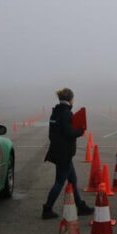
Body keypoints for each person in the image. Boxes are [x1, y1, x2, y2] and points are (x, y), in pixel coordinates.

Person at [42, 87, 94, 219]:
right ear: (70, 99)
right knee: (59, 182)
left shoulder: (55, 112)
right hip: (64, 154)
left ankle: (80, 206)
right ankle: (47, 209)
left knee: (72, 180)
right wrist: (80, 131)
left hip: (59, 151)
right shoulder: (66, 113)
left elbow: (52, 133)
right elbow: (68, 132)